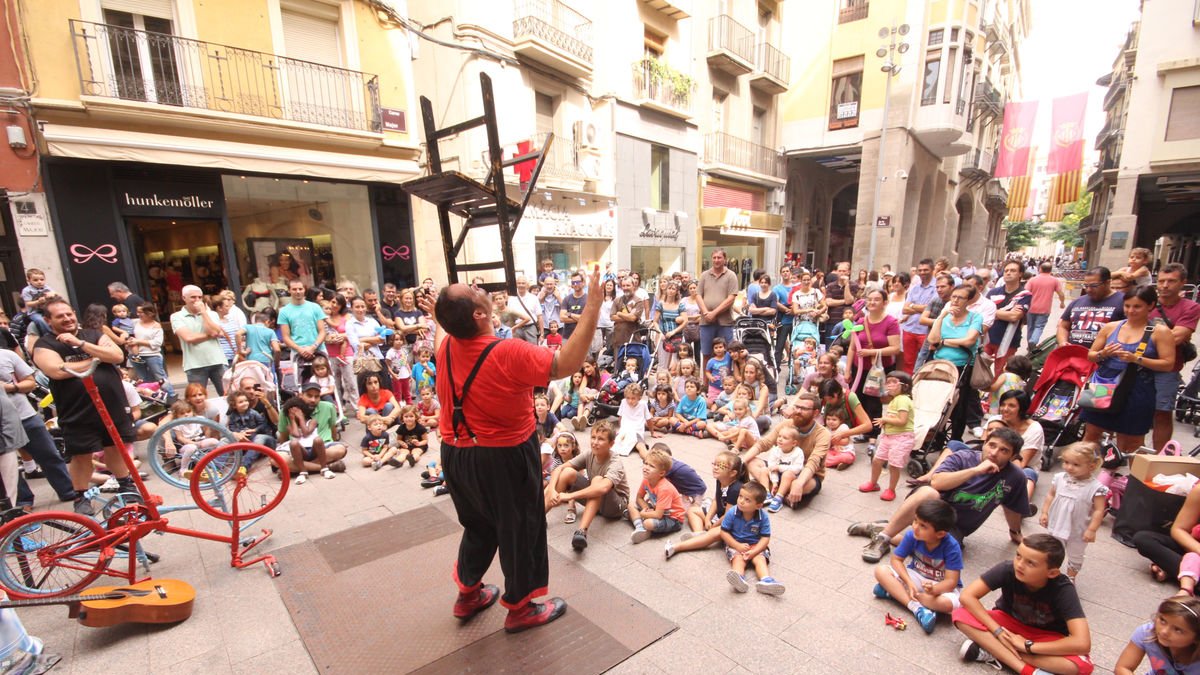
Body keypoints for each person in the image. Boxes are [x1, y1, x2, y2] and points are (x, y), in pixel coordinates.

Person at [428, 264, 602, 633]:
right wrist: (592, 309)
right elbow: (567, 362)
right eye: (473, 291)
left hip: (456, 455)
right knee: (520, 528)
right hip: (503, 455)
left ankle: (468, 594)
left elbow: (447, 327)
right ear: (479, 315)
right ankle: (521, 608)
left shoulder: (444, 347)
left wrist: (440, 314)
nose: (478, 286)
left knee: (477, 525)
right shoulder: (507, 352)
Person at [849, 428, 1030, 563]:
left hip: (956, 526)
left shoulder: (1016, 477)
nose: (994, 453)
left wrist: (1015, 532)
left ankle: (878, 529)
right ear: (985, 444)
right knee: (929, 492)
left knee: (941, 556)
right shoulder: (962, 457)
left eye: (1004, 450)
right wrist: (975, 470)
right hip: (931, 508)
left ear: (1013, 456)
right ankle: (884, 538)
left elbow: (1012, 507)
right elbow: (937, 482)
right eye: (992, 445)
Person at [32, 299, 138, 515]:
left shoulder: (93, 334)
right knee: (81, 454)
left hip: (112, 404)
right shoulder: (44, 344)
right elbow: (57, 371)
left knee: (115, 446)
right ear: (48, 320)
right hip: (76, 408)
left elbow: (117, 355)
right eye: (59, 316)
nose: (67, 318)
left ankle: (126, 486)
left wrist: (81, 345)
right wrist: (97, 358)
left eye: (69, 313)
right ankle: (80, 496)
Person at [954, 534, 1094, 675]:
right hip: (1008, 626)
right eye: (1018, 556)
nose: (1019, 565)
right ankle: (1026, 670)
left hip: (1046, 637)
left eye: (1030, 563)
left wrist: (1028, 646)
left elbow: (1082, 643)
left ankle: (994, 650)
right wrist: (998, 631)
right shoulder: (1007, 569)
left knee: (1081, 667)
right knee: (960, 614)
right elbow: (967, 596)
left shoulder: (1063, 589)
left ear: (1052, 573)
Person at [1079, 285, 1175, 455]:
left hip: (1137, 387)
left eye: (1137, 306)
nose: (1131, 311)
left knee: (1132, 440)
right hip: (1104, 382)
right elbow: (1091, 355)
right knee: (1092, 432)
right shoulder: (1111, 327)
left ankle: (1133, 479)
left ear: (1150, 306)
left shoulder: (1160, 332)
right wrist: (1103, 353)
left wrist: (1136, 359)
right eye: (1127, 306)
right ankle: (1082, 474)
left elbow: (1168, 363)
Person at [0, 337, 76, 508]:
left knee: (49, 454)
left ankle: (69, 490)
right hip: (3, 425)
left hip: (25, 416)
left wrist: (11, 387)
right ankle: (21, 503)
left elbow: (30, 383)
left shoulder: (7, 356)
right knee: (7, 469)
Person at [872, 500, 963, 635]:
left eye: (923, 526)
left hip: (940, 586)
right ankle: (918, 609)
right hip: (915, 576)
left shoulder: (952, 547)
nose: (915, 527)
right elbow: (896, 559)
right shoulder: (912, 536)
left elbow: (951, 582)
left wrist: (934, 589)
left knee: (948, 605)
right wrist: (909, 582)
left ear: (940, 534)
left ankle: (895, 593)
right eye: (915, 521)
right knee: (881, 571)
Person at [545, 418, 630, 553]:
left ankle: (581, 532)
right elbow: (558, 469)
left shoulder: (615, 463)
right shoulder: (589, 454)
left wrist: (568, 496)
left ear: (611, 444)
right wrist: (552, 492)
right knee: (567, 472)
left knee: (597, 481)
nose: (595, 442)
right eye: (593, 437)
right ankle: (538, 517)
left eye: (601, 439)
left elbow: (602, 488)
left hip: (615, 507)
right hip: (596, 501)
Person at [1036, 442, 1108, 583]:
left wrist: (1092, 529)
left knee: (1076, 554)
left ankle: (1070, 577)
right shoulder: (1060, 478)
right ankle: (1049, 573)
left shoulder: (1096, 488)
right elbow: (1051, 495)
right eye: (1066, 462)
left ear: (1091, 466)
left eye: (1076, 465)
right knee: (1053, 551)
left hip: (1078, 529)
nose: (1069, 467)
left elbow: (1099, 510)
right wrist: (1045, 512)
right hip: (1058, 523)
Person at [744, 392, 830, 509]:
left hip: (805, 474)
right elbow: (764, 443)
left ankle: (771, 489)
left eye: (804, 408)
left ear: (815, 413)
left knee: (798, 484)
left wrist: (799, 483)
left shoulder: (823, 434)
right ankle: (782, 495)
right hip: (778, 468)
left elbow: (813, 463)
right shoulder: (786, 424)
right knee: (751, 462)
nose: (798, 411)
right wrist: (742, 461)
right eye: (797, 407)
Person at [1150, 262, 1200, 452]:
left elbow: (1177, 337)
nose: (1164, 285)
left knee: (1162, 413)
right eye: (1161, 281)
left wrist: (1142, 341)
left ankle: (1160, 456)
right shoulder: (1148, 302)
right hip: (1138, 367)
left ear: (1182, 283)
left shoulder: (1190, 307)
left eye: (1171, 281)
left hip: (1167, 369)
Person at [927, 284, 984, 441]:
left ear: (968, 301)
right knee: (938, 402)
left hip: (962, 365)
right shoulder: (944, 316)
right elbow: (932, 340)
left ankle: (955, 440)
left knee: (959, 405)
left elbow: (969, 340)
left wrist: (944, 341)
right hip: (940, 364)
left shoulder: (975, 317)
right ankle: (936, 437)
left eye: (960, 297)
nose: (956, 300)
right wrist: (940, 316)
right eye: (954, 296)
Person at [847, 289, 901, 451]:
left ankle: (873, 436)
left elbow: (895, 349)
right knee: (859, 401)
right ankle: (864, 430)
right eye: (869, 299)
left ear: (885, 302)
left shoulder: (891, 322)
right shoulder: (860, 322)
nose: (871, 302)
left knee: (875, 403)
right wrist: (848, 369)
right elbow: (852, 348)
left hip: (880, 370)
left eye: (876, 299)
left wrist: (871, 352)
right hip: (860, 368)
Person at [665, 450, 743, 559]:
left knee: (712, 534)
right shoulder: (720, 480)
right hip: (719, 517)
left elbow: (728, 515)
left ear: (733, 473)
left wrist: (714, 526)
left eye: (720, 465)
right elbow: (716, 500)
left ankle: (676, 547)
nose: (715, 467)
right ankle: (698, 534)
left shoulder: (735, 489)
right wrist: (707, 519)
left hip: (733, 522)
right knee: (692, 510)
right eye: (715, 464)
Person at [721, 481, 785, 596]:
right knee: (738, 559)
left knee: (760, 559)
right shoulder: (732, 512)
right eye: (740, 496)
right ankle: (739, 578)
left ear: (758, 505)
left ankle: (766, 581)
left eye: (747, 500)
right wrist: (737, 546)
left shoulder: (763, 517)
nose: (741, 501)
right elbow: (724, 532)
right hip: (736, 543)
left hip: (756, 544)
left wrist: (754, 551)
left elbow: (765, 538)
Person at [858, 371, 914, 502]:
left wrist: (885, 419)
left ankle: (891, 489)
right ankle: (873, 483)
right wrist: (886, 421)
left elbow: (902, 421)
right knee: (877, 460)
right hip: (889, 437)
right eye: (888, 382)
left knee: (894, 465)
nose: (889, 385)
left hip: (901, 438)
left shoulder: (903, 400)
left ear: (905, 386)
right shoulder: (895, 400)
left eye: (894, 382)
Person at [278, 381, 347, 484]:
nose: (313, 400)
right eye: (309, 396)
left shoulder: (328, 407)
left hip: (322, 446)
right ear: (301, 395)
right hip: (297, 449)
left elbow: (333, 430)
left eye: (316, 396)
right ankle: (326, 467)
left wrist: (333, 441)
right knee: (276, 459)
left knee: (340, 449)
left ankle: (295, 468)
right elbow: (283, 437)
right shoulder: (288, 410)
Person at [1114, 596, 1200, 675]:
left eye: (1177, 630)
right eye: (1162, 620)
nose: (1164, 631)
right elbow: (1123, 667)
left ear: (1196, 637)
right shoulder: (1147, 632)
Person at [1136, 482, 1200, 585]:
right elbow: (1179, 529)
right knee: (1144, 539)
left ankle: (1184, 575)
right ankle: (1188, 573)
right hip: (1193, 549)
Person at [170, 284, 227, 394]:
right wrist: (211, 336)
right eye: (193, 297)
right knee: (197, 399)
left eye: (199, 297)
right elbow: (188, 337)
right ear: (184, 298)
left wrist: (204, 313)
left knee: (227, 396)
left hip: (217, 361)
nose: (197, 300)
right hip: (194, 365)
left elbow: (216, 332)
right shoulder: (177, 316)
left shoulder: (212, 314)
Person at [1057, 267, 1125, 348]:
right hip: (1075, 355)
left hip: (1105, 357)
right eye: (1086, 285)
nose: (1088, 289)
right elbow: (1063, 326)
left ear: (1108, 283)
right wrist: (1063, 342)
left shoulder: (1124, 301)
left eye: (1094, 286)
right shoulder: (1077, 301)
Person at [984, 260, 1031, 376]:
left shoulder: (1025, 294)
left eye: (1013, 271)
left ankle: (994, 395)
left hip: (1008, 341)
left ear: (1020, 274)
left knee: (1001, 374)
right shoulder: (993, 292)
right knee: (980, 370)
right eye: (1006, 271)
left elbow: (1014, 316)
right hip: (987, 338)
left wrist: (993, 312)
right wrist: (1005, 314)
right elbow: (983, 312)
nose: (1008, 273)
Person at [628, 449, 686, 544]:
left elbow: (658, 515)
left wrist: (643, 514)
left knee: (648, 523)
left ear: (662, 473)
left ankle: (642, 524)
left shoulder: (664, 488)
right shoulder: (647, 479)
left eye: (651, 466)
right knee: (630, 504)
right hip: (657, 510)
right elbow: (639, 498)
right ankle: (640, 527)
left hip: (673, 519)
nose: (646, 467)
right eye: (646, 463)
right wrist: (646, 508)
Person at [697, 249, 739, 367]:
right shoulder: (704, 275)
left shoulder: (731, 275)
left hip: (725, 322)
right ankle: (706, 384)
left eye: (719, 257)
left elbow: (731, 298)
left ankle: (727, 383)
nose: (716, 260)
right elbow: (698, 295)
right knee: (706, 353)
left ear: (724, 259)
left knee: (728, 353)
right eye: (714, 257)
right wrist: (706, 313)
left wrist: (714, 313)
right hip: (706, 321)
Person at [278, 279, 327, 374]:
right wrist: (300, 349)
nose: (298, 292)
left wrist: (313, 347)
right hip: (297, 353)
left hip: (318, 349)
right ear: (289, 291)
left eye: (300, 289)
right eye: (294, 289)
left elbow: (322, 331)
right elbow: (286, 337)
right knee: (300, 384)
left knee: (325, 382)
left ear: (304, 290)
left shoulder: (315, 307)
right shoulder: (284, 311)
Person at [899, 259, 936, 374]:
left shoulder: (937, 287)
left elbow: (932, 308)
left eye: (926, 270)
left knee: (926, 361)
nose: (922, 272)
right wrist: (922, 308)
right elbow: (905, 309)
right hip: (909, 328)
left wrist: (913, 306)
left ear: (932, 270)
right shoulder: (914, 288)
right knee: (908, 362)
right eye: (920, 270)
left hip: (926, 331)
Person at [1024, 262, 1066, 348]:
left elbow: (1025, 292)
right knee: (1039, 326)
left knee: (1030, 327)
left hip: (1031, 307)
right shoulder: (1054, 280)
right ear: (1050, 270)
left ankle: (1030, 344)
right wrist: (1062, 302)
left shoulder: (1032, 280)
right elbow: (1061, 294)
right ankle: (1033, 341)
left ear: (1040, 269)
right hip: (1045, 308)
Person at [506, 275, 541, 345]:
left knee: (532, 350)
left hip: (530, 327)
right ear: (516, 284)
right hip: (516, 328)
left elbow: (539, 316)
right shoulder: (511, 298)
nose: (521, 285)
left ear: (527, 285)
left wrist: (542, 334)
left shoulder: (533, 298)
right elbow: (509, 316)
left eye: (523, 283)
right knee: (518, 350)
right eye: (519, 283)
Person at [559, 271, 588, 341]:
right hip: (568, 337)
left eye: (577, 282)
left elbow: (586, 319)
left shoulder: (588, 299)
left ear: (583, 283)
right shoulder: (567, 299)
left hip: (584, 337)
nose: (575, 284)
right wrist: (579, 318)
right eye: (573, 283)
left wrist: (570, 314)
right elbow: (562, 318)